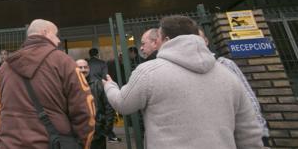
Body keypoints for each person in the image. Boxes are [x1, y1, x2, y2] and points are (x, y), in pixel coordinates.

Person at [103, 15, 263, 149]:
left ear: (165, 39)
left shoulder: (149, 72)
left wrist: (109, 86)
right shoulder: (228, 74)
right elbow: (249, 131)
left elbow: (123, 104)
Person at [0, 19, 94, 149]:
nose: (58, 40)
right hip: (52, 143)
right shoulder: (64, 61)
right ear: (45, 32)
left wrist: (4, 135)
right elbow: (85, 109)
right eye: (56, 35)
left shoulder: (4, 68)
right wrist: (82, 144)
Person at [199, 29, 270, 147]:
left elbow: (248, 98)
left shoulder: (224, 64)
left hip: (239, 134)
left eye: (197, 37)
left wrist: (260, 132)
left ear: (206, 41)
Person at [76, 59, 119, 148]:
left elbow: (109, 107)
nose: (83, 69)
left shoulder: (98, 84)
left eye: (85, 67)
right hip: (79, 134)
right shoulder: (71, 86)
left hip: (98, 134)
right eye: (80, 67)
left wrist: (106, 129)